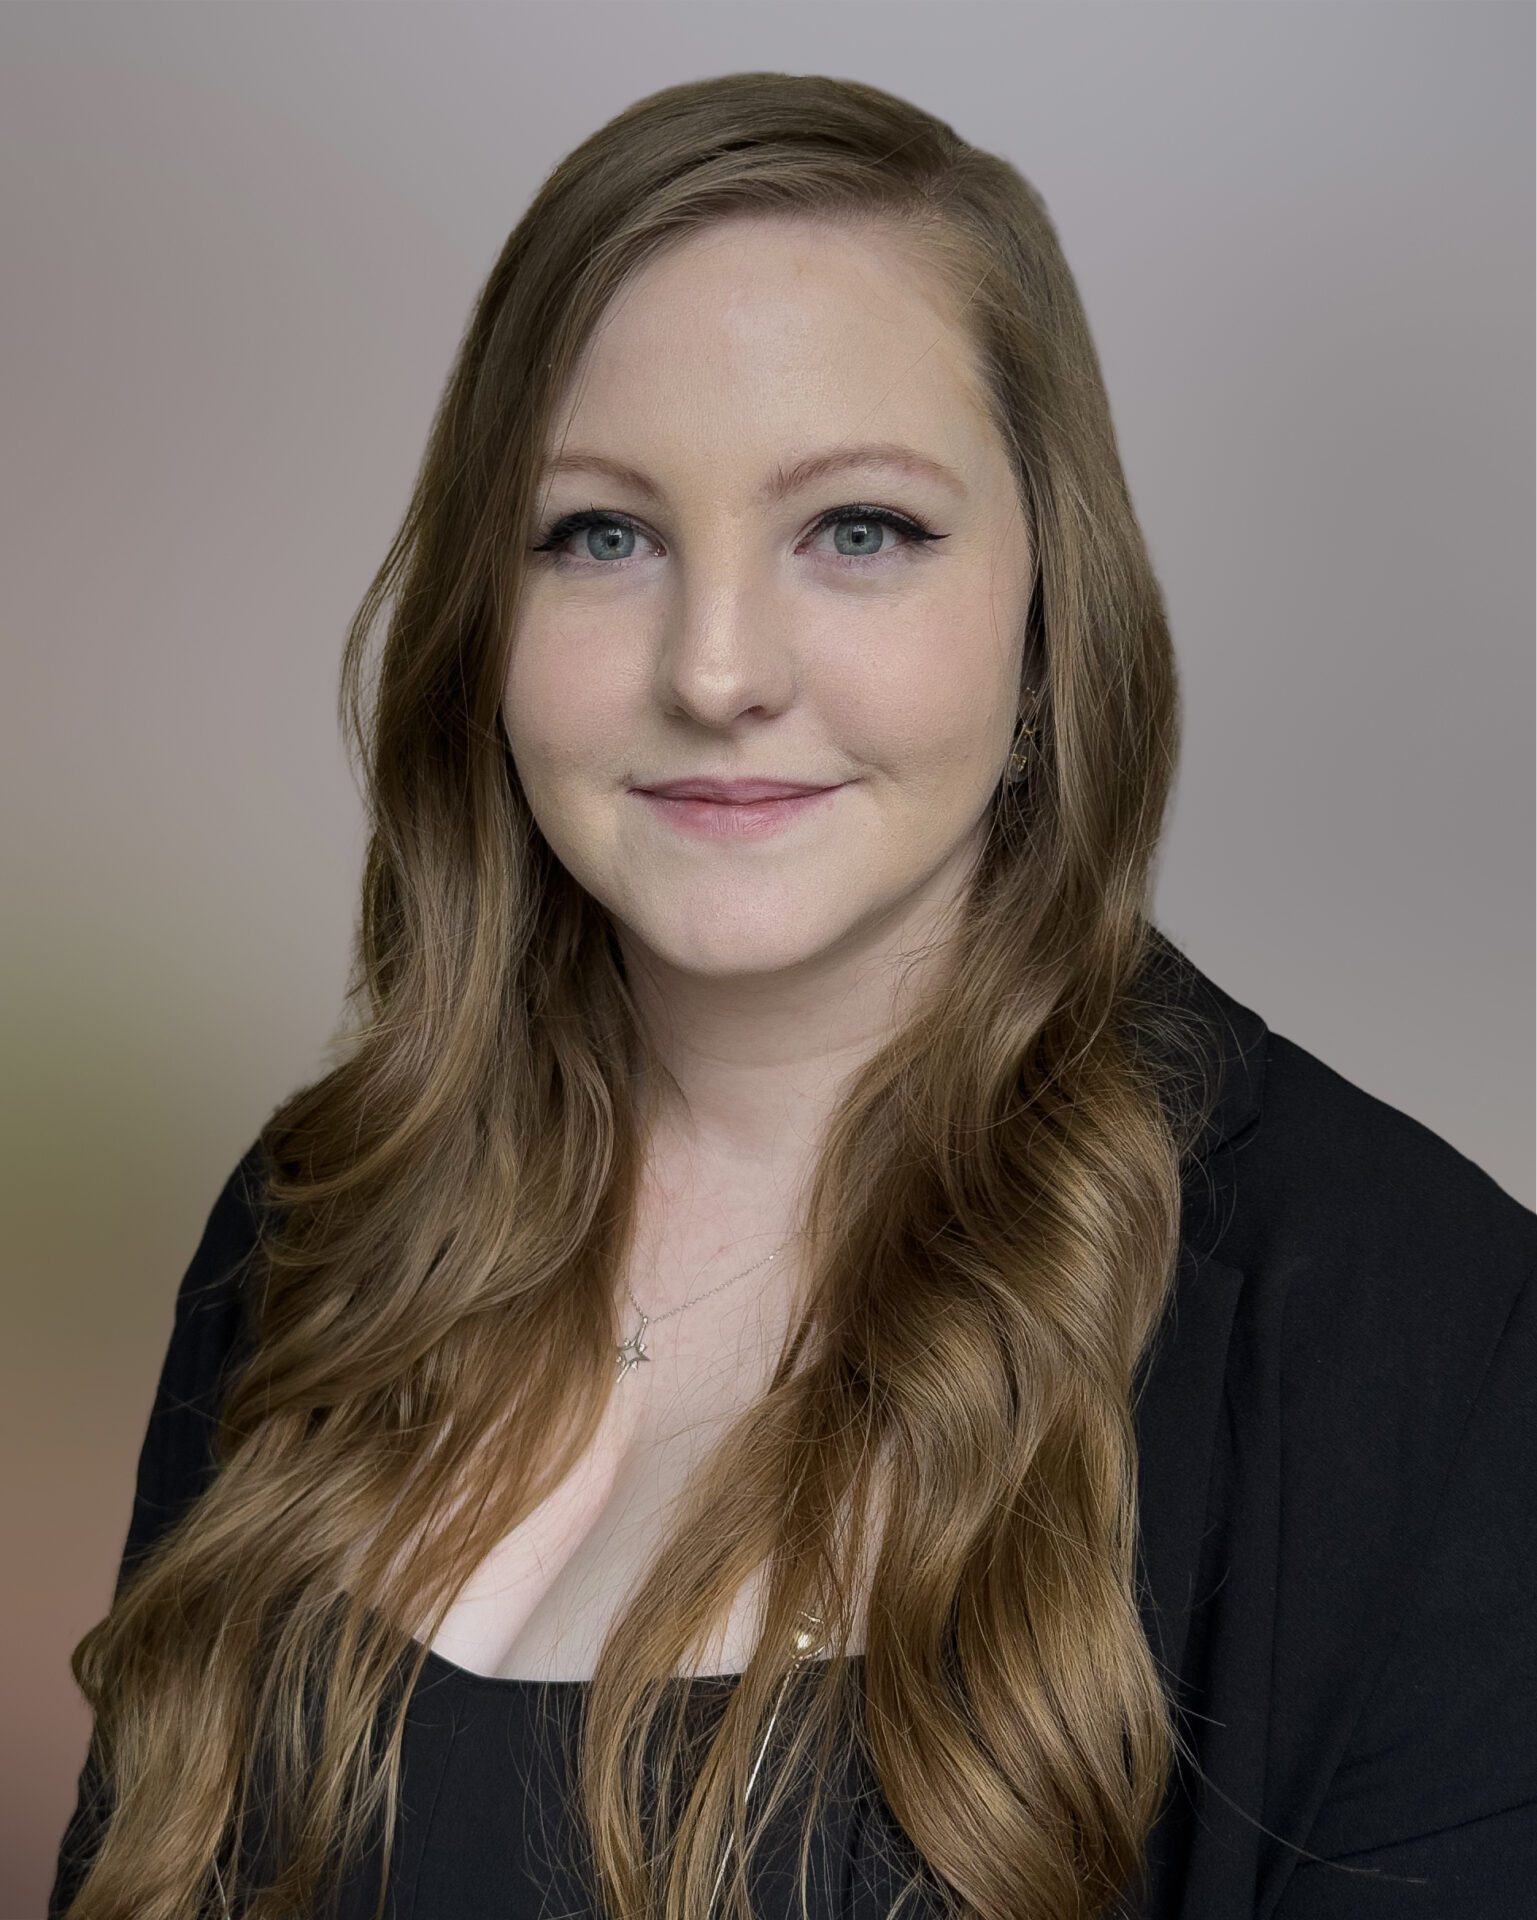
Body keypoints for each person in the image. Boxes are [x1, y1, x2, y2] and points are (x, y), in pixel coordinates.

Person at [49, 70, 1535, 1920]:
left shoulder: (1423, 1341)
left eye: (859, 528)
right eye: (601, 533)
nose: (717, 667)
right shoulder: (312, 1225)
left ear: (1046, 600)